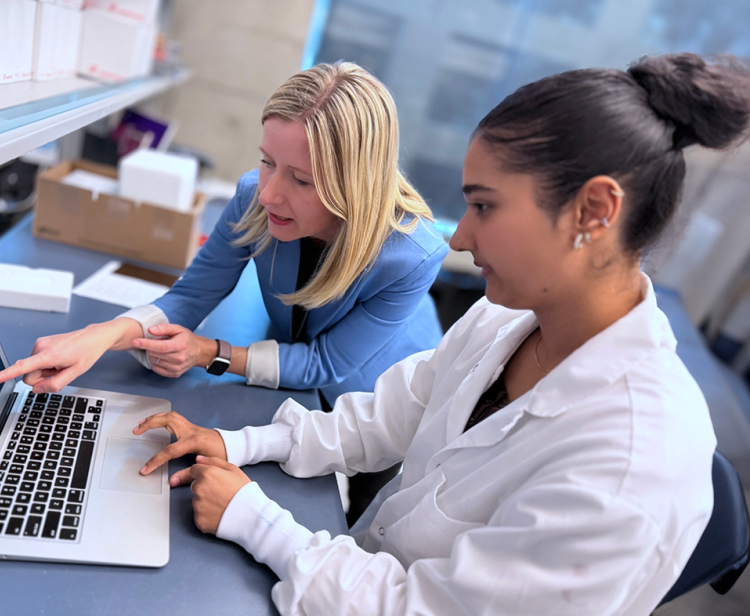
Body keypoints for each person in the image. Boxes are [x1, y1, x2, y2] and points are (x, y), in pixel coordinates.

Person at [131, 52, 750, 614]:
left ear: (593, 212)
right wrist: (236, 443)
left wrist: (256, 520)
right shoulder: (505, 320)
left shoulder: (629, 463)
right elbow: (381, 420)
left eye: (484, 207)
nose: (457, 238)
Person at [0, 62, 447, 524]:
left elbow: (326, 363)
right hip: (294, 361)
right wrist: (103, 335)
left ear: (356, 181)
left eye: (301, 180)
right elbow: (191, 295)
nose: (269, 194)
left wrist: (211, 352)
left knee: (361, 511)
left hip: (375, 395)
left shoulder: (410, 255)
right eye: (267, 161)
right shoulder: (254, 196)